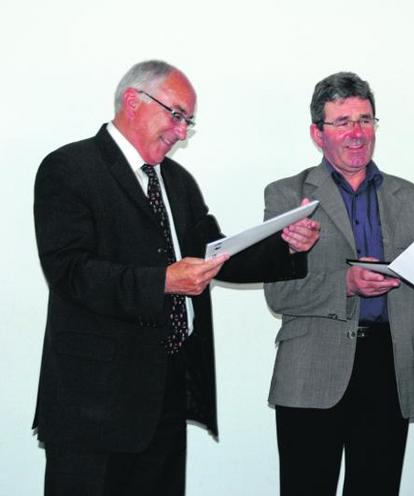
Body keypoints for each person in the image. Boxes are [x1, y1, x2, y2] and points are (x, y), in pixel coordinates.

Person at [33, 60, 319, 496]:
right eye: (177, 115)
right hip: (91, 406)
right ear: (133, 101)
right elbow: (70, 272)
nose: (182, 131)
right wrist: (162, 281)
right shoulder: (68, 168)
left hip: (164, 396)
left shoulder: (177, 181)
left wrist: (287, 246)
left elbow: (216, 254)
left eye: (188, 121)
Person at [263, 71, 414, 496]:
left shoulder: (412, 199)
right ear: (317, 133)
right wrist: (344, 282)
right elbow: (278, 293)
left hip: (388, 367)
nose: (357, 133)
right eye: (342, 122)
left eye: (365, 120)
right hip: (310, 371)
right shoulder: (288, 196)